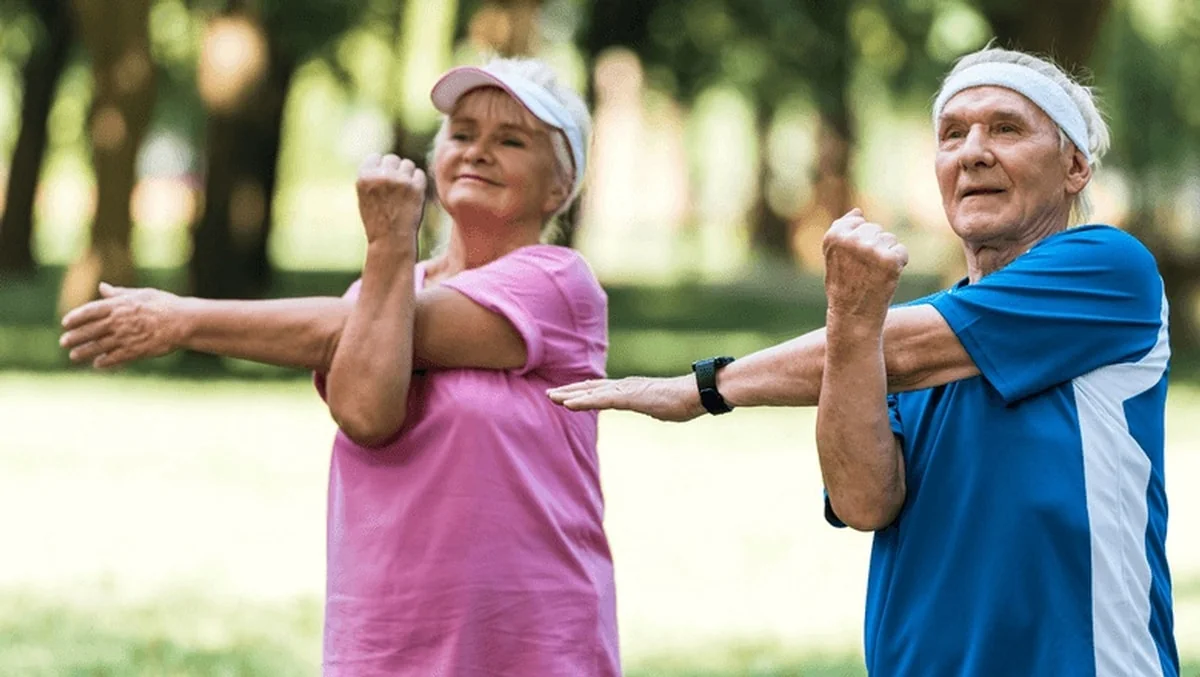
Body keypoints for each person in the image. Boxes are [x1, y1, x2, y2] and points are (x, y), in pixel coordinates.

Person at [550, 45, 1179, 677]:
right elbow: (865, 501)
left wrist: (704, 389)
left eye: (1007, 128)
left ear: (1074, 166)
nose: (973, 151)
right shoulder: (897, 338)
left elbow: (899, 350)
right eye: (953, 134)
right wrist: (850, 319)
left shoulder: (1107, 269)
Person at [60, 58, 621, 676]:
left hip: (529, 639)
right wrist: (388, 254)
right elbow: (366, 413)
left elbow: (370, 330)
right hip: (387, 630)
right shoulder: (385, 289)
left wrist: (184, 319)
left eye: (511, 141)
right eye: (461, 134)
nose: (477, 152)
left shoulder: (558, 285)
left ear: (558, 188)